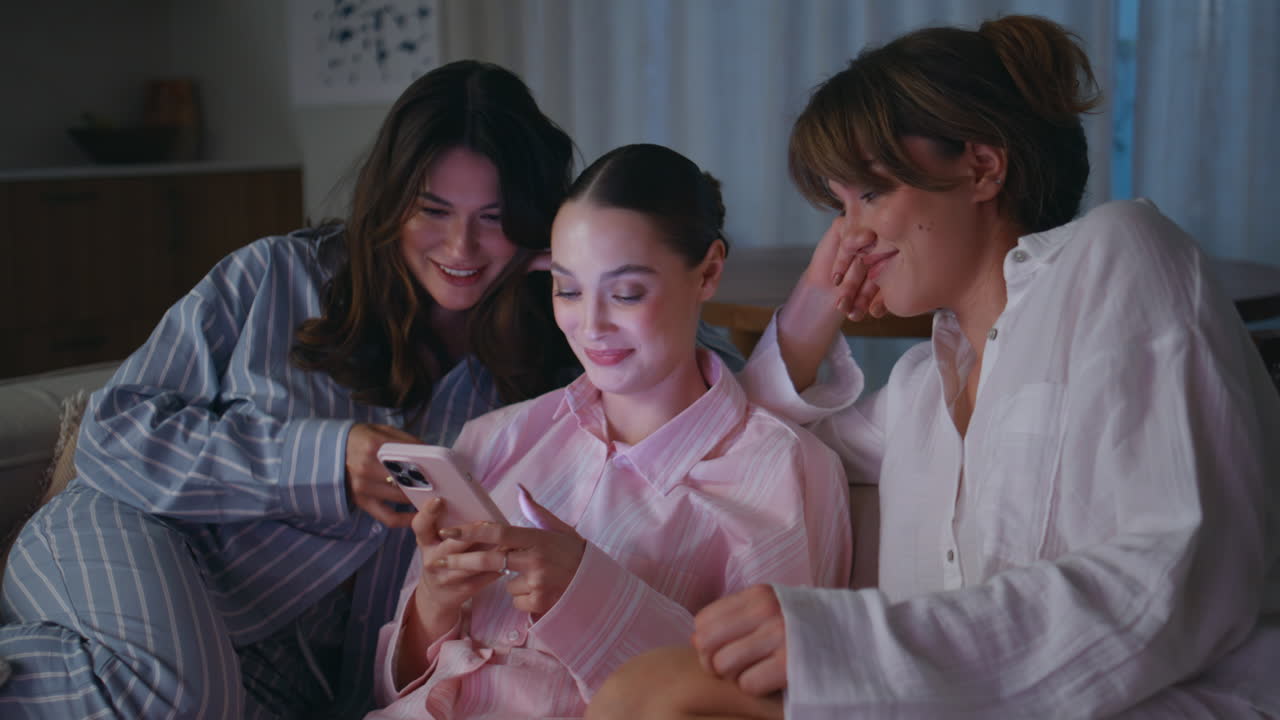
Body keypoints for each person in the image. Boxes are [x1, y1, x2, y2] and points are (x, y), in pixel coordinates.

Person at [587, 15, 1280, 719]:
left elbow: (1181, 567)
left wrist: (848, 648)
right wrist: (809, 310)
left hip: (1184, 700)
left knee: (660, 693)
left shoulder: (1121, 256)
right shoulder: (918, 392)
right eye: (837, 205)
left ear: (981, 166)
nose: (848, 234)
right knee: (649, 684)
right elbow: (744, 448)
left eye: (869, 193)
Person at [0, 61, 739, 719]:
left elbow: (689, 355)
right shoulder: (277, 279)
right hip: (130, 539)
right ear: (390, 200)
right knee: (182, 695)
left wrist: (599, 270)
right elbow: (113, 433)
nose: (461, 250)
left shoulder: (558, 343)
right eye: (433, 211)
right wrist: (322, 458)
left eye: (494, 220)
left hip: (279, 671)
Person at [366, 143, 852, 719]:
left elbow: (770, 706)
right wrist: (434, 604)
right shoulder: (495, 439)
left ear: (710, 271)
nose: (590, 325)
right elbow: (389, 691)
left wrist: (587, 592)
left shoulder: (784, 473)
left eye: (625, 293)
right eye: (567, 290)